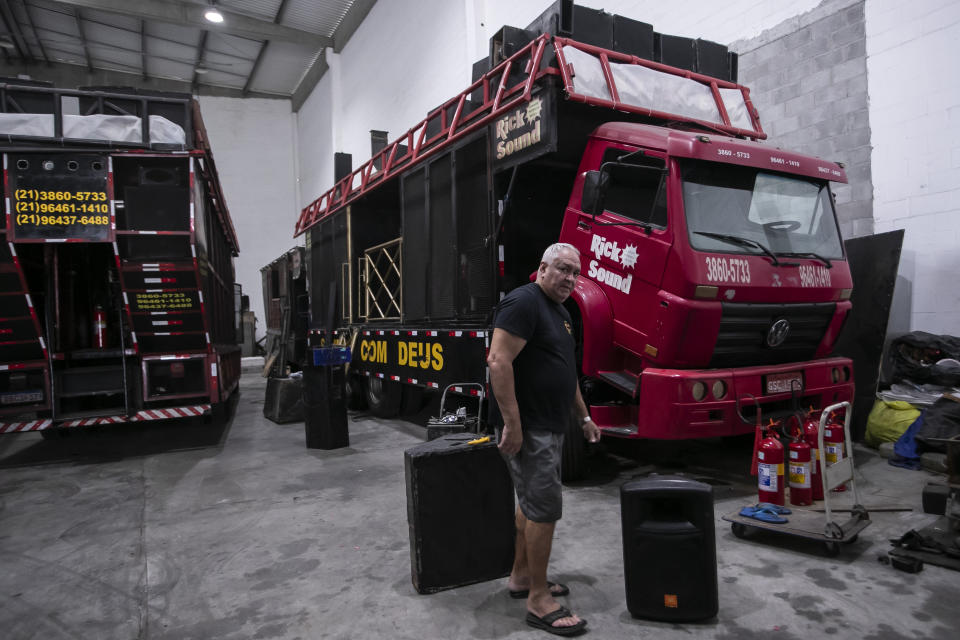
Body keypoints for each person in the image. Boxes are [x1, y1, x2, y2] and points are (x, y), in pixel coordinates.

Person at [487, 242, 601, 636]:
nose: (570, 278)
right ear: (542, 268)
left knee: (531, 506)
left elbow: (565, 372)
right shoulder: (525, 302)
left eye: (575, 272)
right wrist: (512, 424)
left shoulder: (561, 311)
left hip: (550, 425)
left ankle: (521, 577)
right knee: (544, 510)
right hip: (531, 428)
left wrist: (583, 416)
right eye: (563, 269)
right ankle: (538, 600)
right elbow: (499, 362)